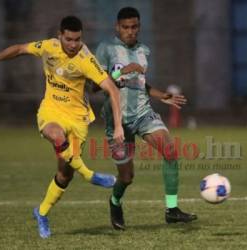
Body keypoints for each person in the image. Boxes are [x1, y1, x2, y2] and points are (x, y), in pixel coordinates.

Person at [0, 16, 124, 238]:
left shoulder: (87, 59)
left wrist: (118, 128)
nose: (73, 44)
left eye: (77, 39)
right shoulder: (49, 47)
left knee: (65, 174)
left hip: (78, 121)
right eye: (69, 39)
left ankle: (41, 212)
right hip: (51, 112)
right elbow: (20, 49)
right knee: (57, 136)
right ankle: (89, 175)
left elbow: (112, 90)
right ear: (60, 35)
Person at [95, 7, 197, 230]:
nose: (130, 31)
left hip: (143, 113)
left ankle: (172, 210)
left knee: (170, 151)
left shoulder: (144, 50)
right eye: (125, 27)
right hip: (118, 121)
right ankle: (115, 202)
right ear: (117, 27)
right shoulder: (106, 49)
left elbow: (140, 84)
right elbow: (93, 86)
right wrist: (117, 74)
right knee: (127, 177)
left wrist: (163, 96)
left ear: (139, 27)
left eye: (134, 27)